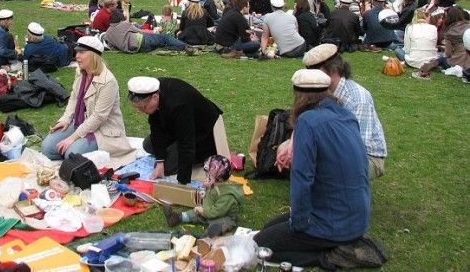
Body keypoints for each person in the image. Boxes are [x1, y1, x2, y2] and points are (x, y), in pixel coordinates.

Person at [256, 69, 370, 268]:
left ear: (298, 96)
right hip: (355, 218)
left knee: (260, 246)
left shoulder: (307, 122)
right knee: (267, 229)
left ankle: (329, 256)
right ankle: (337, 243)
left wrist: (298, 225)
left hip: (333, 221)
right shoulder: (346, 115)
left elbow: (302, 179)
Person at [277, 44, 387, 179]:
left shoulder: (358, 98)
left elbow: (356, 149)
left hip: (366, 157)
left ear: (333, 70)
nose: (310, 77)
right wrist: (292, 145)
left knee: (311, 160)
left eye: (314, 71)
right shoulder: (319, 90)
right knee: (284, 148)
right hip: (334, 146)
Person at [41, 36, 135, 167]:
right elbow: (74, 97)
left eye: (81, 52)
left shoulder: (108, 81)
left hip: (101, 129)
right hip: (80, 121)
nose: (77, 56)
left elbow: (99, 117)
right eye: (76, 52)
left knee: (71, 155)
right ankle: (79, 153)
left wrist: (72, 138)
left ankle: (86, 152)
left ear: (93, 55)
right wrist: (65, 120)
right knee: (47, 148)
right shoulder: (80, 72)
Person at [127, 76, 224, 184]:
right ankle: (171, 152)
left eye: (143, 107)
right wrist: (160, 161)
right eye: (137, 108)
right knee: (148, 145)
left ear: (155, 97)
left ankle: (202, 156)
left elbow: (186, 143)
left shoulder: (179, 104)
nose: (140, 111)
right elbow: (156, 127)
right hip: (176, 127)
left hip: (202, 133)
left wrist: (182, 182)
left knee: (167, 168)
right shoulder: (153, 90)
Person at [162, 155, 243, 237]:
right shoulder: (215, 183)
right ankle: (176, 218)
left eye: (208, 174)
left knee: (220, 224)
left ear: (217, 176)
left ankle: (207, 236)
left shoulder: (227, 196)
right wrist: (204, 192)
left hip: (224, 216)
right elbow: (209, 194)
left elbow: (217, 211)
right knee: (195, 213)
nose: (206, 175)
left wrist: (203, 212)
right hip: (209, 208)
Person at [412, 7, 470, 80]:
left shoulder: (450, 32)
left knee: (441, 58)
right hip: (468, 62)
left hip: (458, 62)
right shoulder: (468, 26)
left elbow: (448, 54)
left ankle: (424, 69)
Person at [105, 11, 188, 53]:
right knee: (164, 38)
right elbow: (140, 31)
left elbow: (112, 47)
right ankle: (184, 45)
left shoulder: (107, 34)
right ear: (120, 18)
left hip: (136, 50)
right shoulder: (124, 24)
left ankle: (174, 46)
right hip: (141, 40)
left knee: (160, 43)